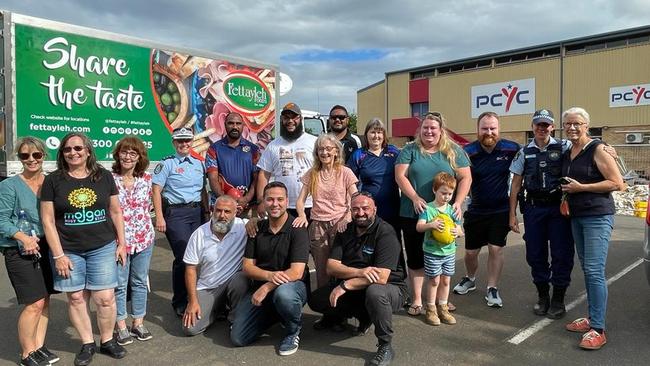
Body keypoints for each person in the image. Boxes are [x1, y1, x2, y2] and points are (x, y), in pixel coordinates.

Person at [41, 132, 128, 366]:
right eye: (68, 149)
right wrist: (58, 255)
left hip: (102, 246)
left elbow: (116, 212)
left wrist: (122, 243)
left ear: (88, 151)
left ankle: (108, 340)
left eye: (78, 148)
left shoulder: (104, 176)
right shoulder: (53, 181)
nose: (73, 153)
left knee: (106, 298)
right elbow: (48, 221)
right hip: (68, 250)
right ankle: (87, 343)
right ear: (62, 154)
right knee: (77, 297)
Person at [309, 192, 407, 366]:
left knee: (375, 292)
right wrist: (360, 273)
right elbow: (331, 266)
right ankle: (361, 316)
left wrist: (346, 284)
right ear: (350, 211)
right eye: (355, 209)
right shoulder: (345, 231)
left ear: (374, 209)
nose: (360, 213)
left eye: (365, 208)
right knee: (316, 299)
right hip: (361, 283)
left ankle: (385, 345)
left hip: (391, 288)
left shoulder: (385, 232)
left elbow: (382, 276)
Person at [560, 107, 624, 350]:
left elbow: (618, 183)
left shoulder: (598, 149)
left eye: (577, 123)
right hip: (577, 217)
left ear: (587, 125)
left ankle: (598, 329)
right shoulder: (570, 151)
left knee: (595, 270)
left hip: (597, 216)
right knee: (588, 269)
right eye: (568, 124)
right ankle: (591, 318)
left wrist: (582, 188)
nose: (572, 127)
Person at [395, 112, 471, 316]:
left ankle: (440, 300)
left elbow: (465, 178)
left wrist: (458, 202)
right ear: (420, 130)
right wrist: (414, 197)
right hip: (414, 212)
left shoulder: (453, 150)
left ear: (440, 130)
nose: (428, 131)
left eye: (433, 128)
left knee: (440, 256)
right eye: (425, 128)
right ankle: (418, 299)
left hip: (444, 214)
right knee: (417, 256)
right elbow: (400, 176)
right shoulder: (410, 149)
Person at [230, 182, 310, 356]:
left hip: (292, 286)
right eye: (270, 199)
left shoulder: (298, 229)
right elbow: (247, 267)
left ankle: (292, 330)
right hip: (261, 286)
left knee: (284, 295)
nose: (275, 204)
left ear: (287, 200)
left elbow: (296, 272)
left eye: (280, 199)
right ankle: (276, 314)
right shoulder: (256, 228)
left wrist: (266, 286)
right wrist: (269, 276)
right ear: (264, 202)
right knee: (238, 338)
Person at [508, 109, 574, 319]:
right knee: (535, 254)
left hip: (558, 209)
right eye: (538, 124)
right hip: (534, 209)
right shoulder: (523, 152)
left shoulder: (565, 147)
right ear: (533, 126)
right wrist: (512, 215)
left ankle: (558, 299)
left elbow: (587, 147)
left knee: (561, 254)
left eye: (546, 125)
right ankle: (543, 296)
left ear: (552, 127)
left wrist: (606, 148)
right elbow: (515, 185)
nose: (542, 128)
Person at [0, 137, 59, 366]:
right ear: (19, 158)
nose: (31, 160)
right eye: (25, 156)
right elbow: (1, 220)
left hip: (46, 247)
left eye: (36, 155)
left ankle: (38, 347)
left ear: (43, 156)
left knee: (45, 300)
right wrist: (22, 237)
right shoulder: (9, 186)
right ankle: (26, 354)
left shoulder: (50, 183)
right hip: (19, 250)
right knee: (33, 303)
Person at [453, 112, 519, 308]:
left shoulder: (511, 148)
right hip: (476, 210)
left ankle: (492, 288)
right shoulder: (467, 151)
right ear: (478, 130)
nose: (489, 132)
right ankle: (470, 278)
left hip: (500, 210)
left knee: (495, 249)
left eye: (492, 128)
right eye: (484, 128)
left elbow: (536, 151)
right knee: (471, 253)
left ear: (498, 130)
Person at [152, 127, 209, 317]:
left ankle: (195, 294)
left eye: (187, 140)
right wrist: (159, 217)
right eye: (180, 141)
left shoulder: (199, 164)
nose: (184, 144)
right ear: (174, 143)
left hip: (196, 213)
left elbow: (203, 191)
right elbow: (156, 191)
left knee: (198, 256)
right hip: (175, 214)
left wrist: (206, 214)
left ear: (192, 142)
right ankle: (180, 300)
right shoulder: (167, 163)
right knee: (183, 256)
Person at [294, 134, 358, 288]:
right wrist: (302, 215)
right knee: (322, 270)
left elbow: (355, 198)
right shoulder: (312, 173)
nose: (324, 153)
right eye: (320, 149)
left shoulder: (345, 172)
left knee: (341, 266)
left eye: (329, 149)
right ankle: (325, 304)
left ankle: (343, 301)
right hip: (318, 226)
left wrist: (347, 217)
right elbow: (300, 200)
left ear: (336, 151)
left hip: (340, 224)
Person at [182, 195, 249, 335]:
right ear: (212, 210)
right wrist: (193, 301)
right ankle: (217, 309)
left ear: (235, 212)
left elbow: (264, 224)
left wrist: (254, 220)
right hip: (208, 287)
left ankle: (234, 319)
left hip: (232, 282)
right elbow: (190, 269)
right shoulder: (199, 234)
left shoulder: (243, 227)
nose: (222, 215)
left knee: (241, 279)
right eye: (218, 210)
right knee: (190, 329)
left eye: (227, 211)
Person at [111, 137, 156, 345]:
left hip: (144, 238)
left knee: (139, 281)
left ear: (139, 158)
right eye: (124, 152)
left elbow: (150, 206)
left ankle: (138, 322)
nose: (128, 157)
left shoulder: (146, 178)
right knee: (120, 284)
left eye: (133, 153)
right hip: (120, 241)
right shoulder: (109, 179)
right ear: (118, 154)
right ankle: (120, 325)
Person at [416, 172, 463, 326]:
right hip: (432, 252)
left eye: (450, 194)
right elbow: (419, 227)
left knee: (446, 280)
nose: (447, 197)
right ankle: (431, 308)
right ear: (435, 190)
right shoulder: (428, 209)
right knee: (434, 280)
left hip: (449, 252)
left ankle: (443, 307)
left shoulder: (452, 210)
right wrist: (431, 225)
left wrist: (458, 232)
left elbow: (460, 229)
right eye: (443, 193)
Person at [256, 102, 317, 218]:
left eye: (294, 117)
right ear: (281, 120)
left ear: (301, 119)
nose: (290, 121)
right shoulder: (273, 146)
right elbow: (264, 174)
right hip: (281, 206)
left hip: (310, 205)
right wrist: (261, 201)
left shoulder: (314, 142)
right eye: (286, 118)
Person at [347, 118, 401, 232]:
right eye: (372, 132)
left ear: (384, 135)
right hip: (367, 209)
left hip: (393, 208)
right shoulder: (359, 155)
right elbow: (348, 181)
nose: (376, 136)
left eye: (379, 132)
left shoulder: (394, 152)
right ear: (366, 134)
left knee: (393, 244)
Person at [205, 112, 260, 215]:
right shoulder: (213, 149)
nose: (235, 127)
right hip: (223, 208)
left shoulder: (254, 150)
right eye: (231, 123)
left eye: (238, 123)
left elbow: (257, 179)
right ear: (225, 125)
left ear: (243, 126)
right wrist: (226, 201)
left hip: (247, 207)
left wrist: (246, 199)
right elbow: (213, 180)